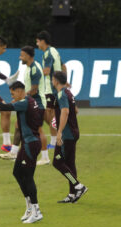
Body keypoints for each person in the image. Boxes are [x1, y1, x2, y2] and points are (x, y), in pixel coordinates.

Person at [0, 82, 43, 223]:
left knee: (28, 177)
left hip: (31, 144)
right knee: (17, 172)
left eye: (12, 93)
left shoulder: (24, 103)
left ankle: (36, 211)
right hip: (28, 143)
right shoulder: (30, 100)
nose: (12, 96)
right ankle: (29, 207)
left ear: (19, 90)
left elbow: (3, 107)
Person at [0, 46, 50, 164]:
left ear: (28, 56)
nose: (20, 57)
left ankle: (45, 157)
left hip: (37, 104)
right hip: (30, 102)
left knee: (38, 130)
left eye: (22, 55)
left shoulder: (34, 69)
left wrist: (20, 100)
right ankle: (14, 153)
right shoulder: (28, 68)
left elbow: (34, 90)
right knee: (18, 125)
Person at [51, 71, 88, 203]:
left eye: (52, 79)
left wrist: (60, 131)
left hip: (66, 135)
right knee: (69, 164)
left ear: (55, 81)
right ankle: (72, 194)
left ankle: (78, 186)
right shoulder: (68, 93)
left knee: (57, 162)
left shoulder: (61, 94)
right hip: (73, 132)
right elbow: (75, 110)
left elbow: (65, 111)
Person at [36, 30, 67, 153]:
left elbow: (46, 71)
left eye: (38, 41)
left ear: (43, 41)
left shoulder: (47, 54)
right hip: (57, 87)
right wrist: (64, 81)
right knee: (51, 114)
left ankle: (55, 141)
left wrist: (36, 71)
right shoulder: (54, 51)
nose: (37, 43)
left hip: (51, 88)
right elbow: (63, 66)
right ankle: (59, 135)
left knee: (49, 114)